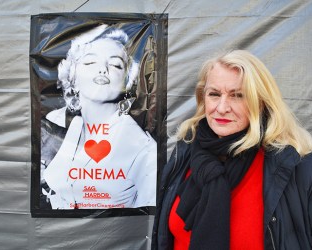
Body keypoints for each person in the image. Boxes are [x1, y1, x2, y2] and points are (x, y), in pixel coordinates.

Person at [152, 50, 312, 249]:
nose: (221, 108)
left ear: (260, 102)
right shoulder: (185, 151)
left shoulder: (295, 165)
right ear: (203, 98)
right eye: (214, 94)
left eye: (237, 96)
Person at [40, 25, 157, 210]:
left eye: (115, 64)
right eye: (90, 62)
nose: (102, 69)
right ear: (73, 77)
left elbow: (148, 221)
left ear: (127, 81)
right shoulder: (53, 124)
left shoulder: (144, 149)